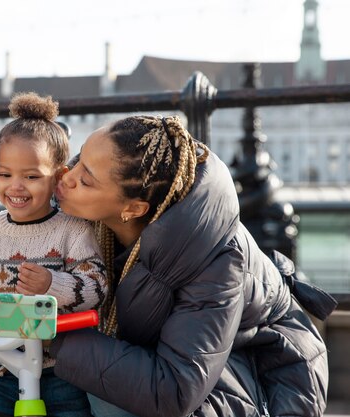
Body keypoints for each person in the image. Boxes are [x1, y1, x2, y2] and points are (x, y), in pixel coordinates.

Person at [49, 114, 337, 417]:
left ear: (133, 209)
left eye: (85, 179)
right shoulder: (109, 203)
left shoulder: (217, 262)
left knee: (110, 401)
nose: (65, 175)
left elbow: (175, 390)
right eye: (78, 158)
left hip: (269, 376)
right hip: (185, 361)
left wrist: (54, 335)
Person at [0, 92, 107, 417]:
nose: (16, 186)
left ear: (59, 178)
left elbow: (97, 287)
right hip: (0, 368)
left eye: (32, 177)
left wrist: (53, 284)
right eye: (5, 175)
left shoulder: (73, 230)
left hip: (61, 370)